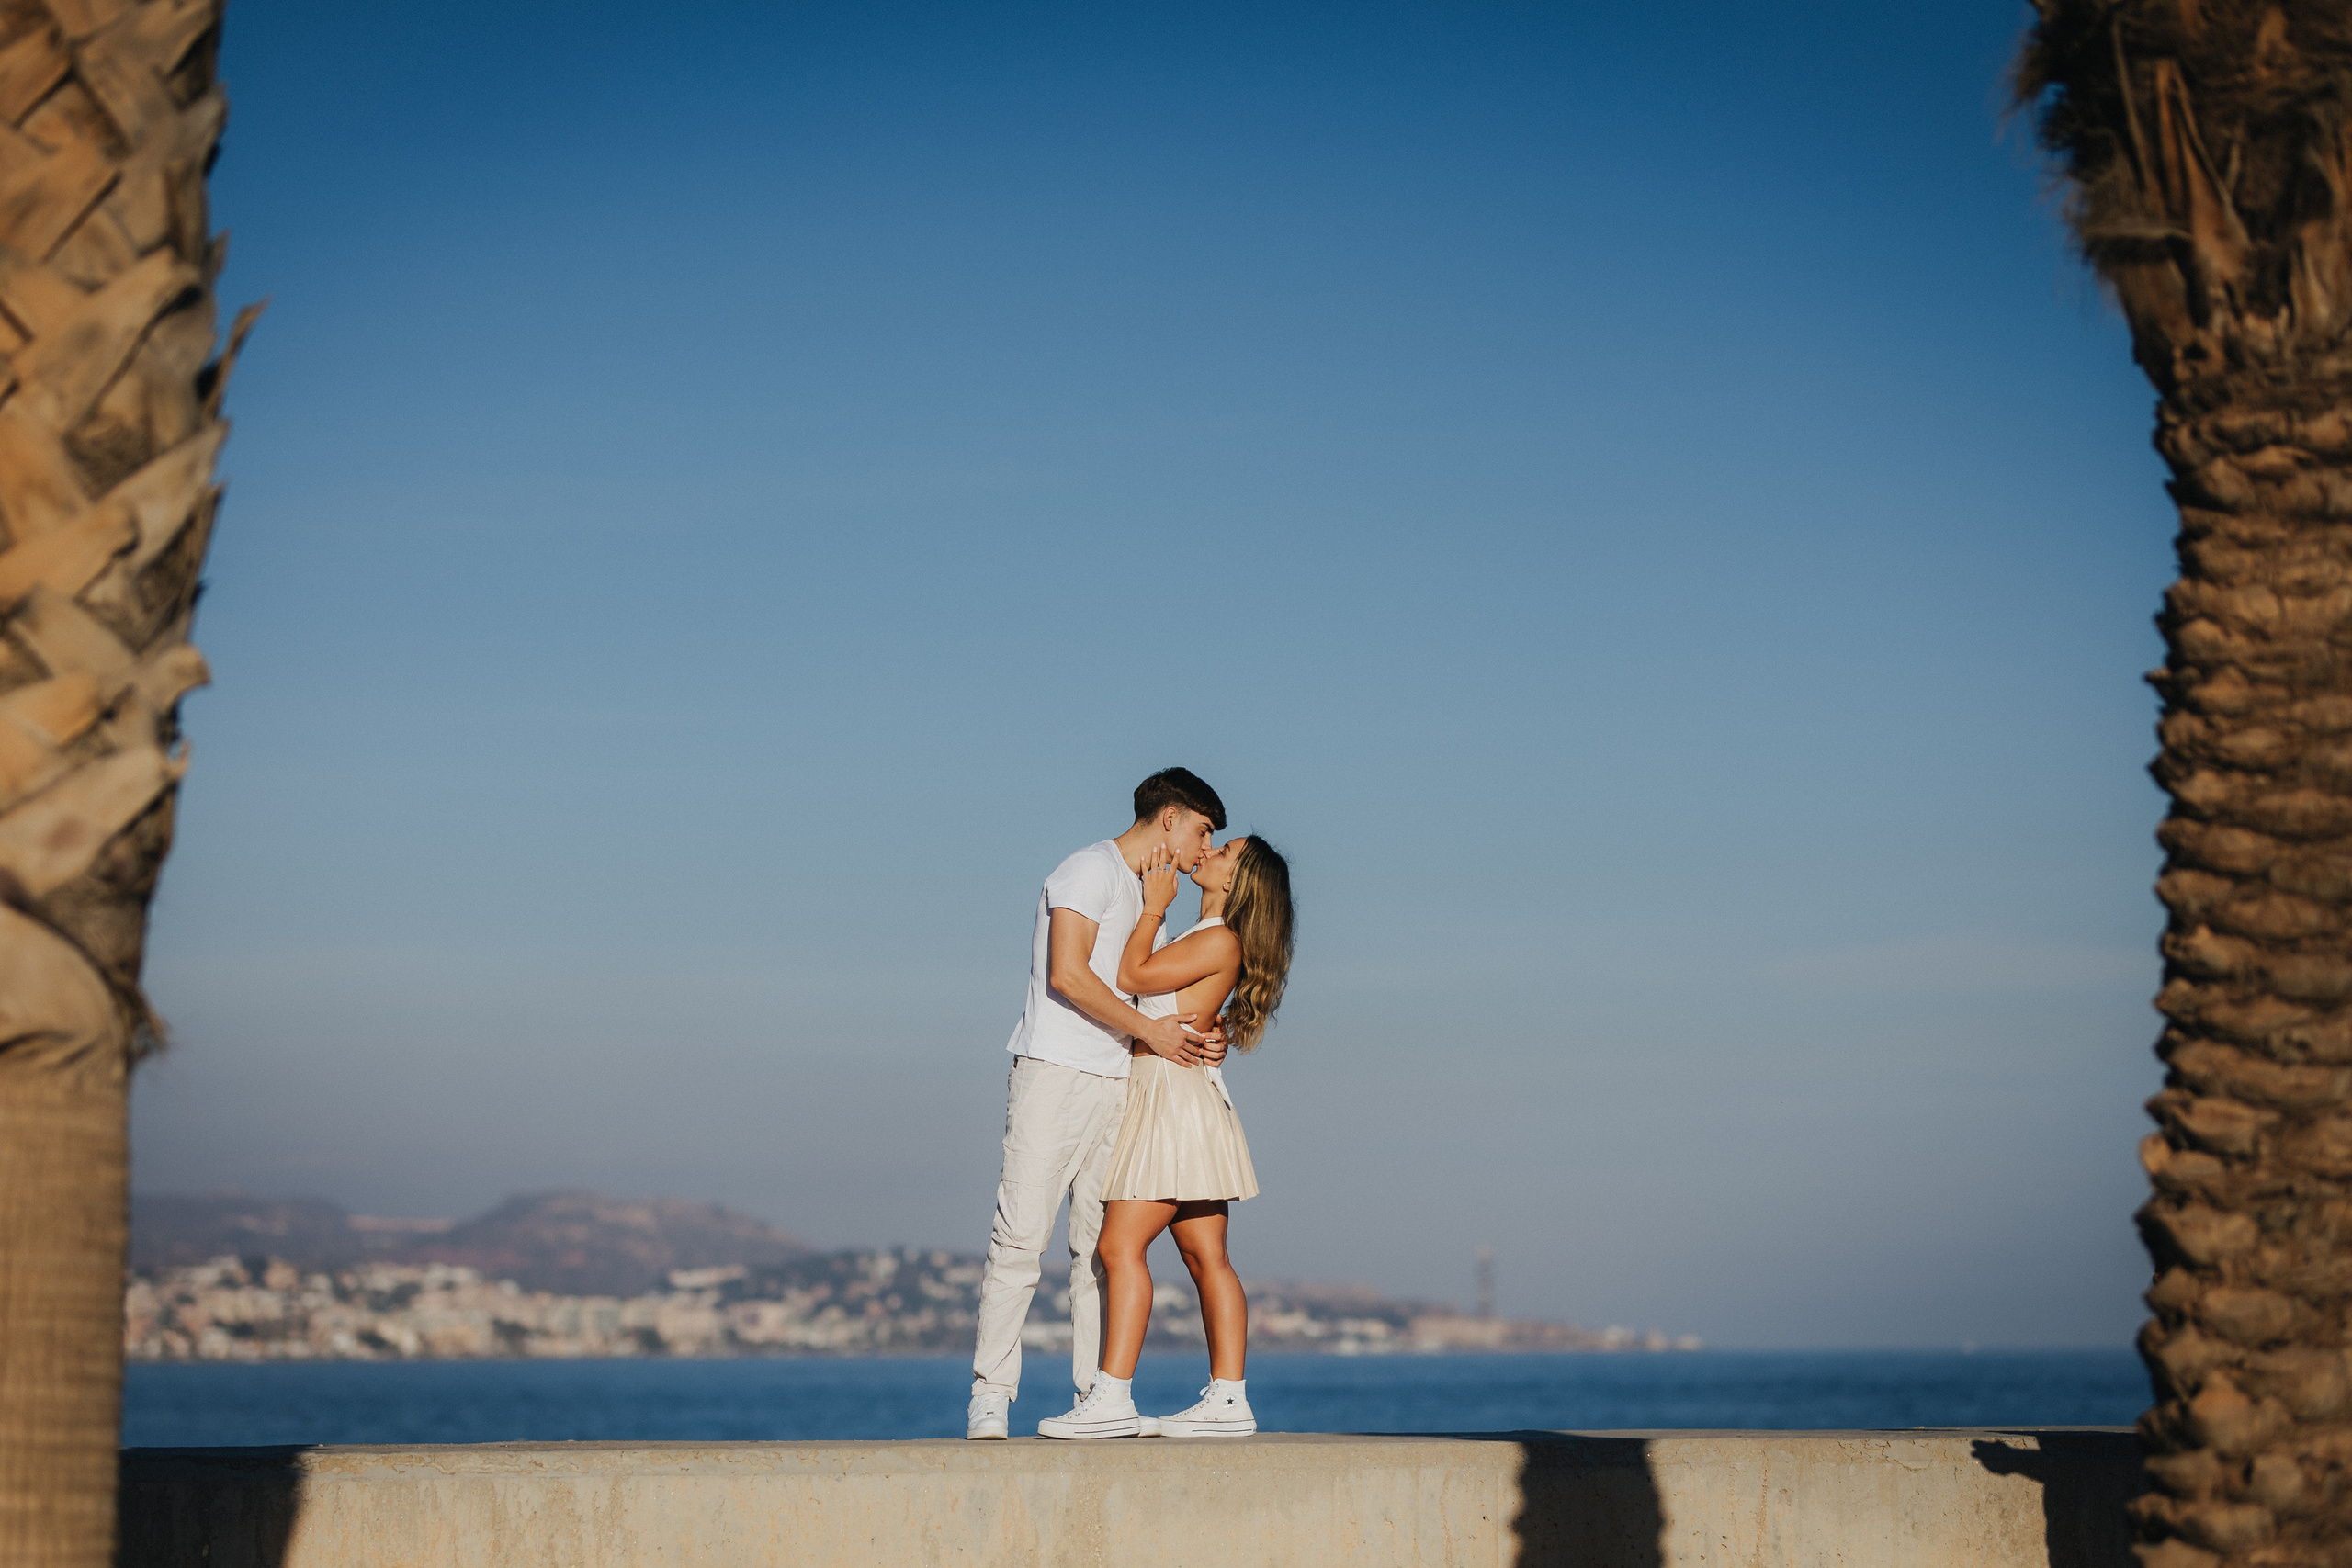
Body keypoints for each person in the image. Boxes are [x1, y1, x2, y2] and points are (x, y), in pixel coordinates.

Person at [966, 768, 1230, 1441]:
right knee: (1021, 1237)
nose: (1204, 850)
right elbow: (1068, 972)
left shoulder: (1154, 899)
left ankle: (1096, 1396)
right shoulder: (1087, 869)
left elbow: (1151, 993)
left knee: (1098, 1250)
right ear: (1169, 817)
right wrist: (1151, 1030)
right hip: (1056, 1073)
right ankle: (991, 1397)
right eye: (1203, 831)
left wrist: (1208, 1028)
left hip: (1124, 1084)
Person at [1036, 833, 1294, 1441]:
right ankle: (1229, 1396)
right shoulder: (1207, 938)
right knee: (1208, 1258)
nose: (1210, 851)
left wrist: (1152, 904)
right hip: (1185, 1096)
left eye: (1225, 850)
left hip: (1168, 1103)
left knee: (1120, 1248)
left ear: (1237, 881)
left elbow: (1132, 973)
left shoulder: (1216, 937)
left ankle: (1113, 1396)